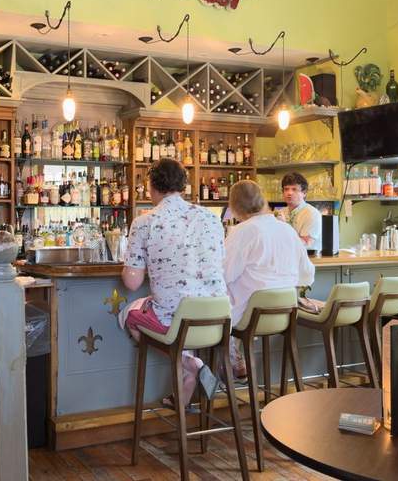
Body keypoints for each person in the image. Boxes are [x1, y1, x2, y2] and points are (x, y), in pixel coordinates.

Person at [121, 158, 228, 407]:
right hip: (218, 318)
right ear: (183, 185)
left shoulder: (145, 222)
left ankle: (190, 364)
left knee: (130, 315)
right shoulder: (211, 218)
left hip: (176, 321)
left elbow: (132, 283)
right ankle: (183, 392)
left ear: (151, 186)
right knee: (174, 315)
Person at [224, 180, 315, 372]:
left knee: (209, 309)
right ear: (262, 200)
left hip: (249, 316)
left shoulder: (242, 231)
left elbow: (224, 274)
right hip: (284, 314)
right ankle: (233, 361)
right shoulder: (287, 230)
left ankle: (226, 365)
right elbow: (307, 274)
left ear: (234, 207)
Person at [276, 172, 322, 252]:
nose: (289, 193)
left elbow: (305, 243)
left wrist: (284, 226)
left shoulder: (312, 214)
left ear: (304, 193)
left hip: (308, 257)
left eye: (294, 189)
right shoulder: (281, 212)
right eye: (286, 189)